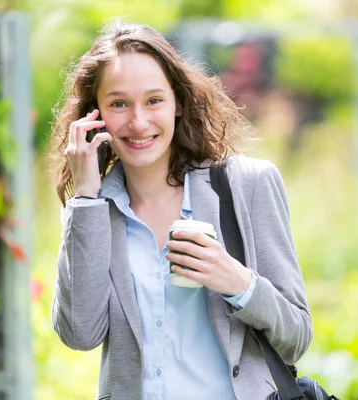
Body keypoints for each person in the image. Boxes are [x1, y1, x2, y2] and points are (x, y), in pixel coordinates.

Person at [50, 20, 312, 400]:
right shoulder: (92, 213)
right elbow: (79, 335)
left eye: (154, 100)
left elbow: (297, 338)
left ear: (177, 102)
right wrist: (86, 197)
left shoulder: (247, 186)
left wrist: (238, 283)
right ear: (96, 116)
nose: (139, 122)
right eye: (119, 103)